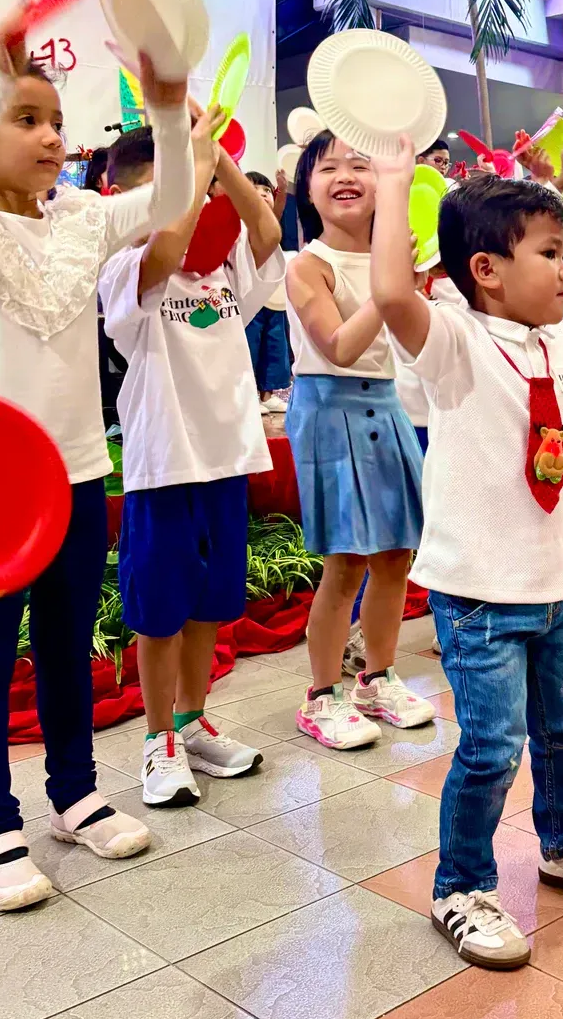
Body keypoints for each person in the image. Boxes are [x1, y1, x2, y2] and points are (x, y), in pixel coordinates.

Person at [371, 148, 563, 971]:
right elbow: (391, 295)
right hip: (479, 592)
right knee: (492, 748)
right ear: (486, 269)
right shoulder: (456, 339)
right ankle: (460, 886)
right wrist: (394, 179)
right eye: (550, 252)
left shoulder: (556, 343)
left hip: (552, 584)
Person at [0, 8, 194, 911]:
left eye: (57, 121)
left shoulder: (83, 219)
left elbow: (169, 199)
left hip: (77, 475)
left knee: (64, 646)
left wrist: (166, 111)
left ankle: (75, 795)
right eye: (26, 118)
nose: (53, 137)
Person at [99, 116, 284, 807]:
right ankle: (157, 741)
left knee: (209, 604)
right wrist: (192, 165)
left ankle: (190, 722)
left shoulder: (220, 272)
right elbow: (168, 241)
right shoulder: (125, 271)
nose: (191, 203)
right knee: (160, 610)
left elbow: (266, 231)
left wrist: (218, 159)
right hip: (165, 465)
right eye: (165, 189)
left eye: (193, 192)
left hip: (225, 460)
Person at [285, 132, 433, 750]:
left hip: (387, 403)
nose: (345, 175)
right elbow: (340, 346)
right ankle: (322, 695)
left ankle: (376, 678)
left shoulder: (391, 260)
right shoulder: (307, 265)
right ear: (307, 188)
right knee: (345, 563)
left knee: (396, 555)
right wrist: (393, 287)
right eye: (328, 167)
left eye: (360, 164)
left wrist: (400, 279)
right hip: (329, 408)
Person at [243, 170, 293, 413]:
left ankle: (267, 394)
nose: (263, 194)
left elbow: (276, 213)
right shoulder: (243, 224)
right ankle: (249, 395)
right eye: (255, 190)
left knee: (275, 346)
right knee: (250, 346)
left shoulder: (270, 224)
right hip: (250, 297)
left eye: (267, 191)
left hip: (274, 297)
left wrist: (281, 191)